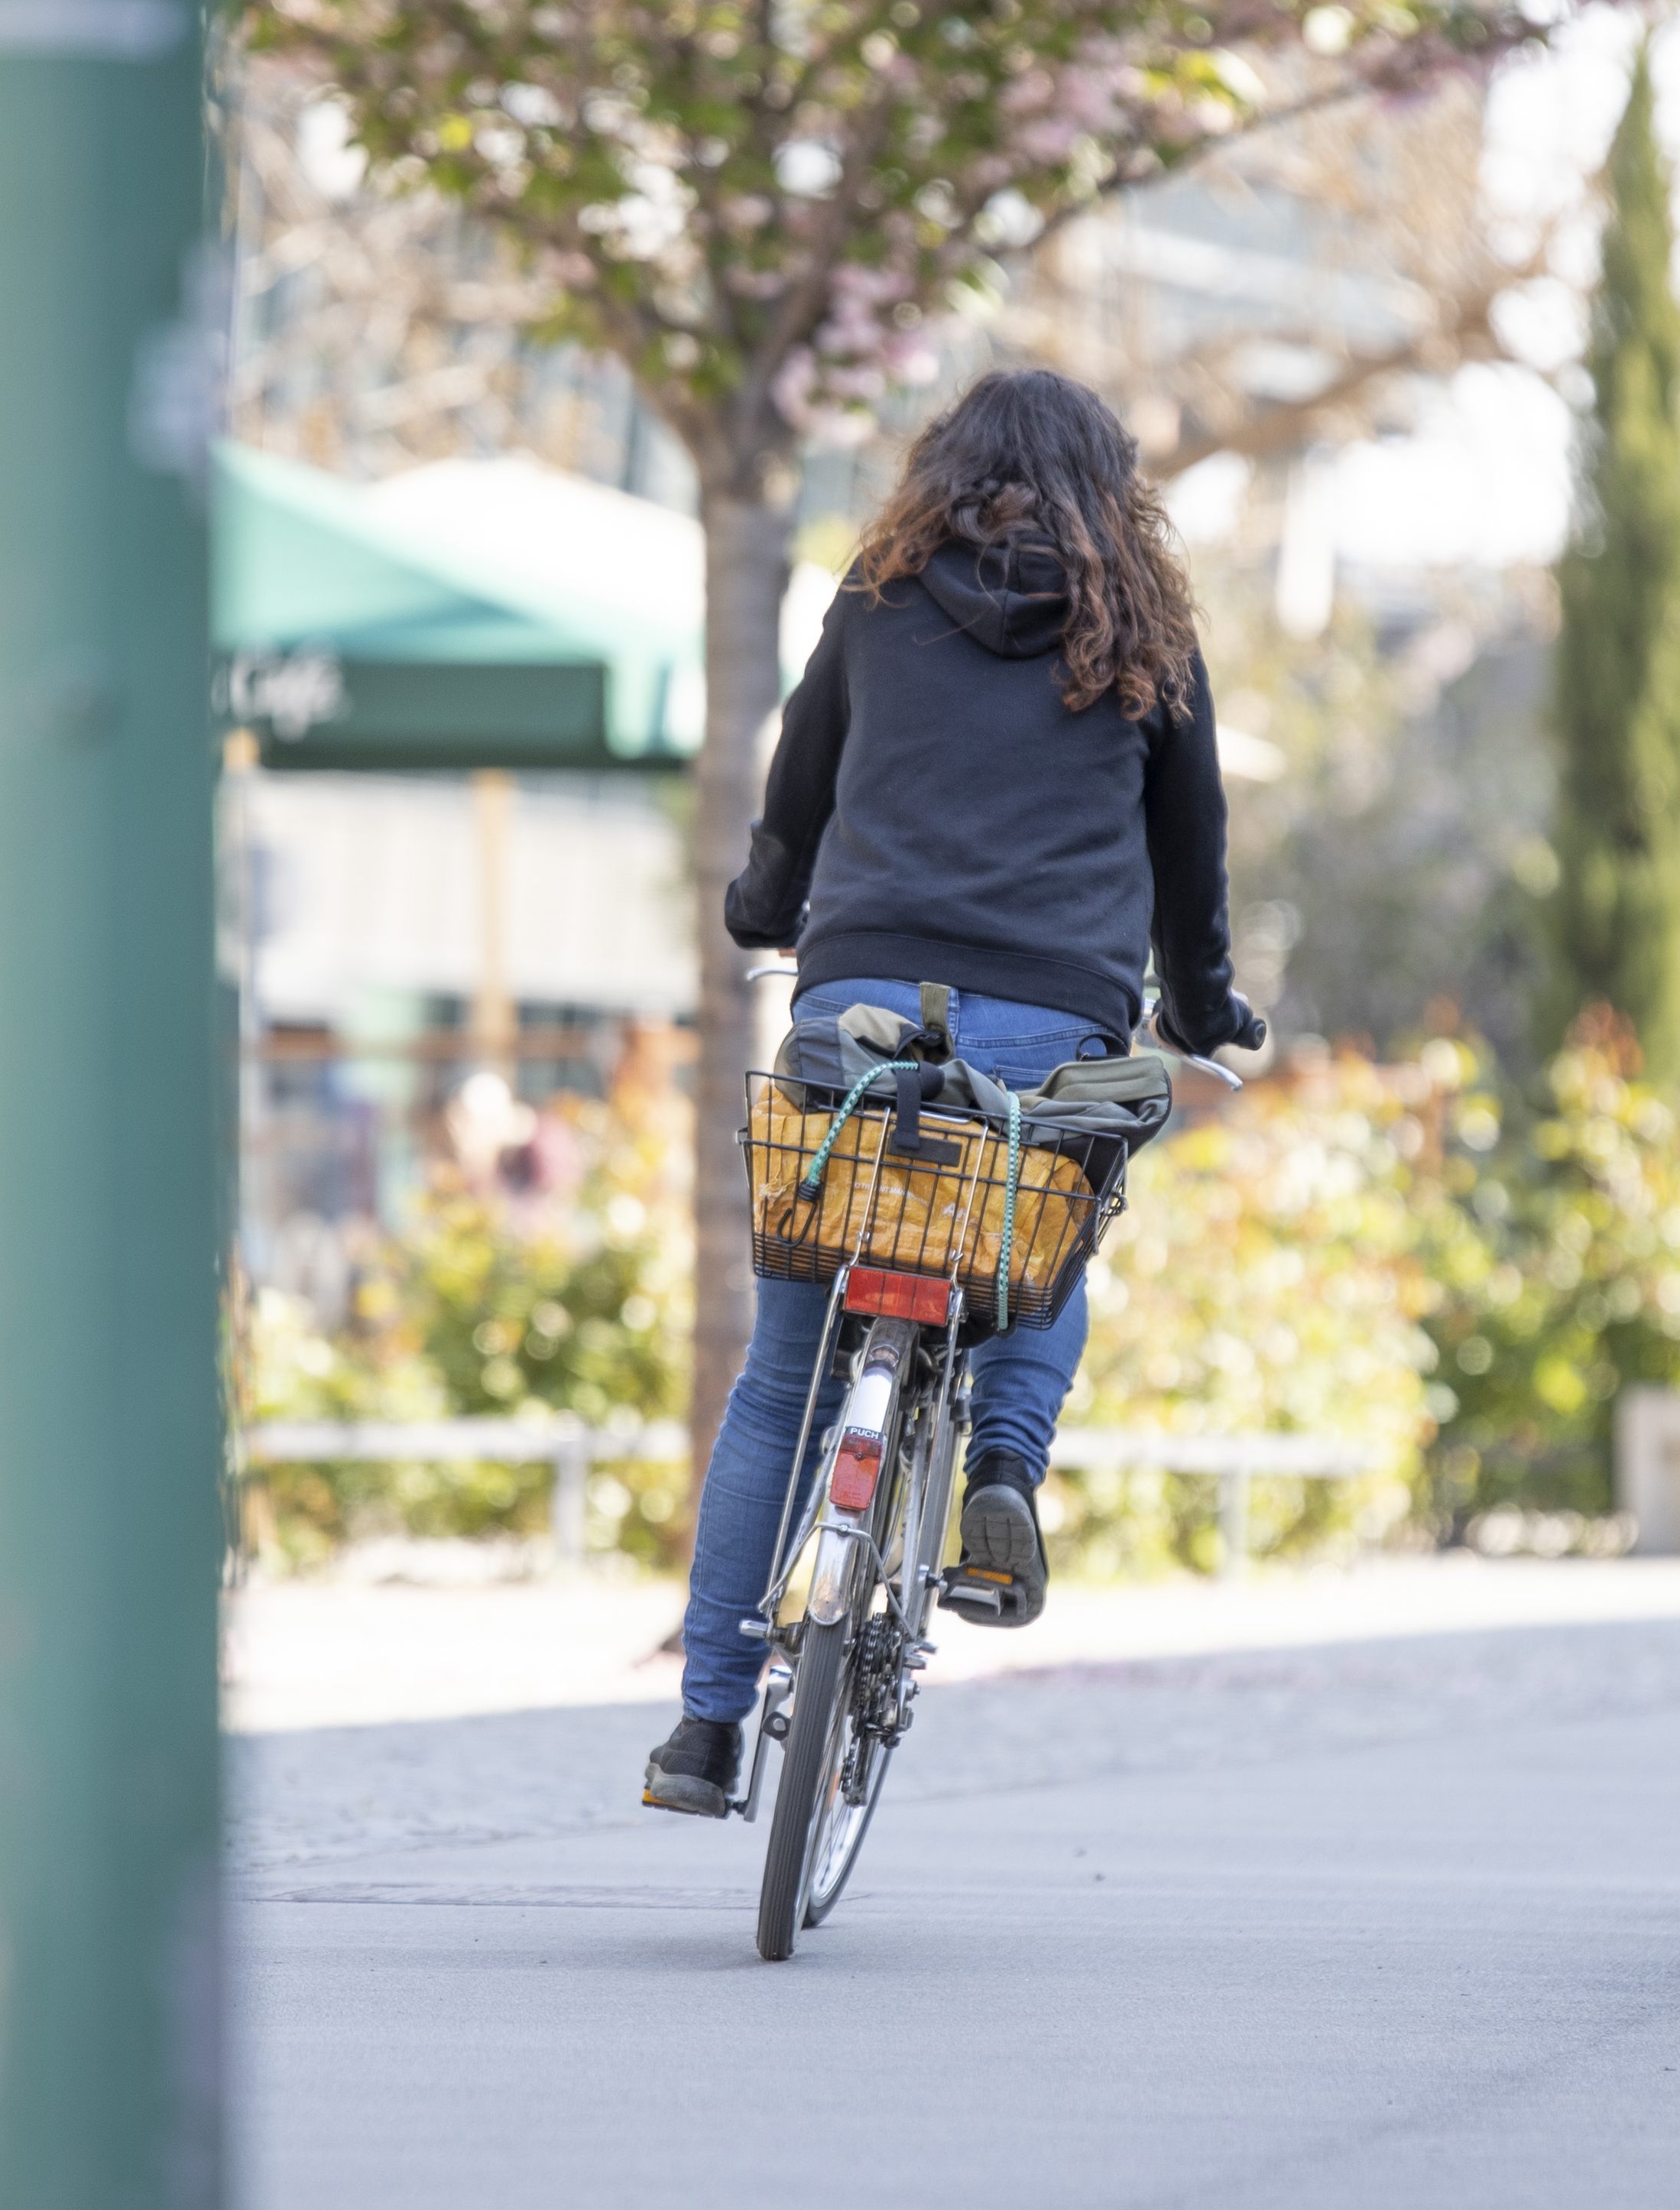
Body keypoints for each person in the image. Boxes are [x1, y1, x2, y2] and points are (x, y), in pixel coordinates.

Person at [644, 370, 1266, 1817]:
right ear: (1116, 490)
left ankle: (703, 1730)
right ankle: (999, 1461)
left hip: (858, 999)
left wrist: (762, 904)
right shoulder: (1148, 635)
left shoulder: (876, 596)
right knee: (1046, 1239)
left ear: (942, 469)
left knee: (782, 1374)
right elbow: (1193, 857)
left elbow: (795, 793)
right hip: (1054, 1015)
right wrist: (1205, 1006)